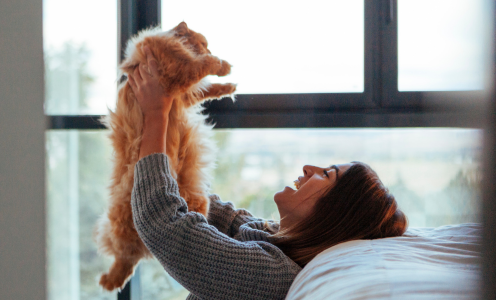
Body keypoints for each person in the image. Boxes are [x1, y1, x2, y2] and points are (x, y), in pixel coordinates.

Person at [127, 47, 409, 300]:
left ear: (335, 213)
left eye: (326, 175)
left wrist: (156, 114)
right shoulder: (270, 236)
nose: (308, 169)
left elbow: (163, 222)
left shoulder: (273, 275)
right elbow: (203, 206)